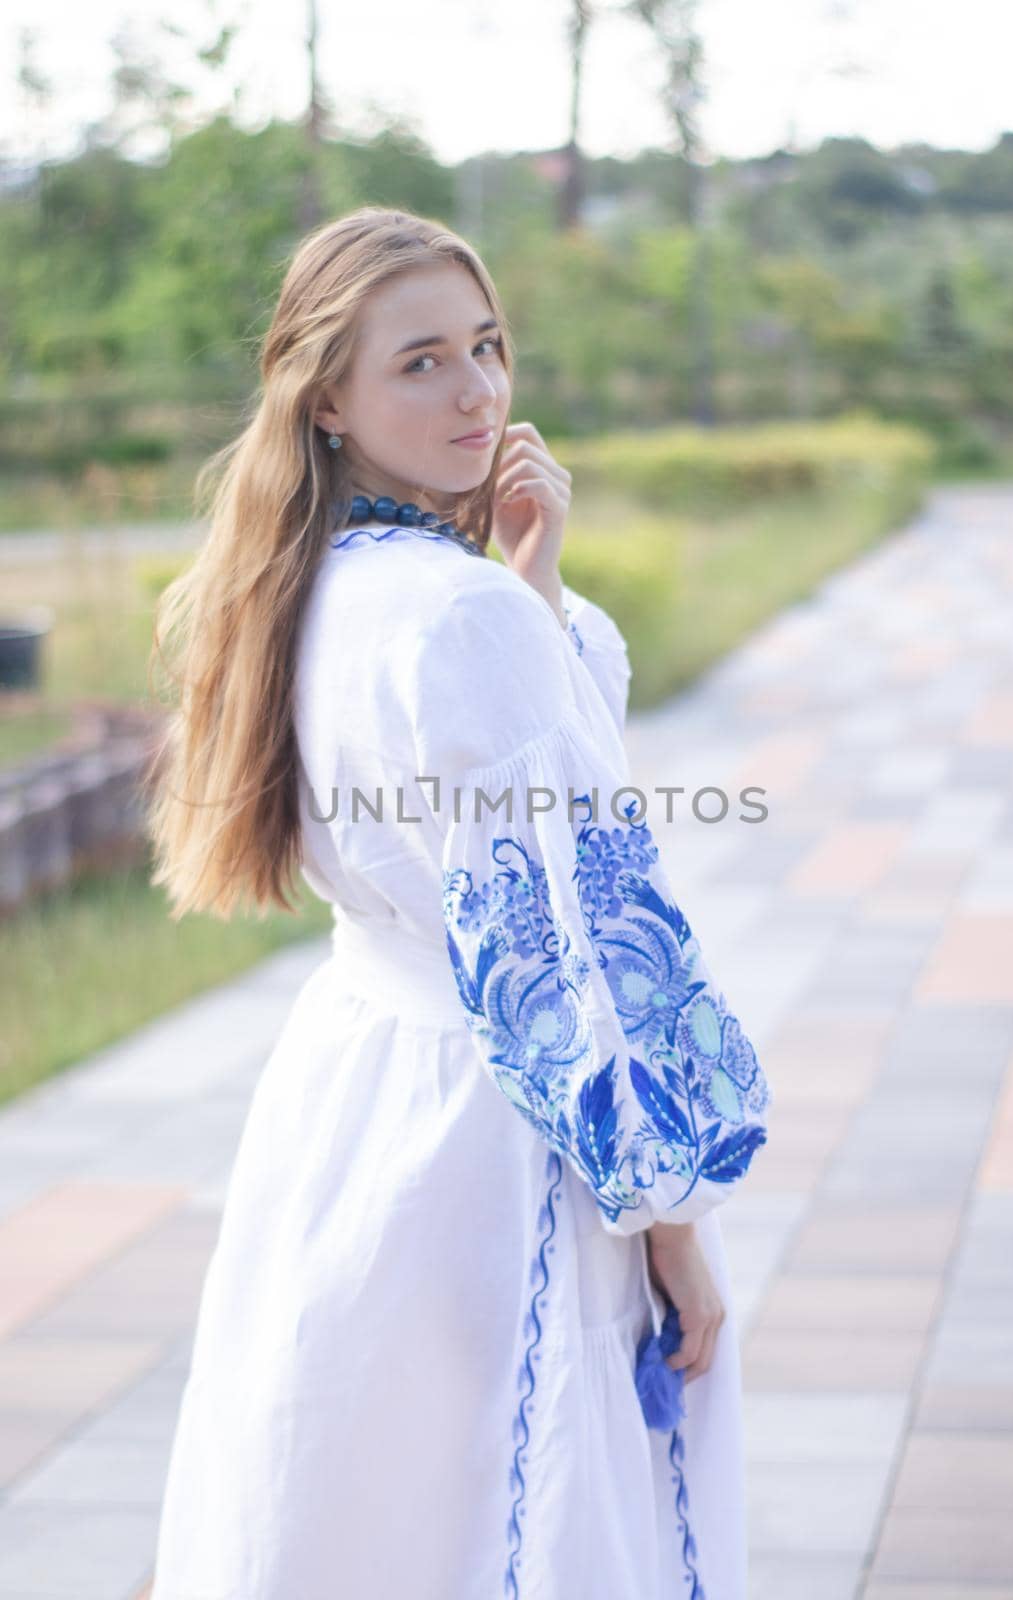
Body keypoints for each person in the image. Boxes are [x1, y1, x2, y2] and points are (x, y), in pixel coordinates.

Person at [145, 205, 773, 1600]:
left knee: (360, 1500)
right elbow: (576, 951)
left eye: (486, 346)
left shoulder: (305, 587)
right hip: (498, 1135)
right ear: (328, 395)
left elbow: (504, 834)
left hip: (358, 1095)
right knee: (523, 1511)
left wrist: (529, 589)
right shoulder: (450, 616)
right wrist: (674, 1220)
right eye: (421, 361)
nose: (480, 391)